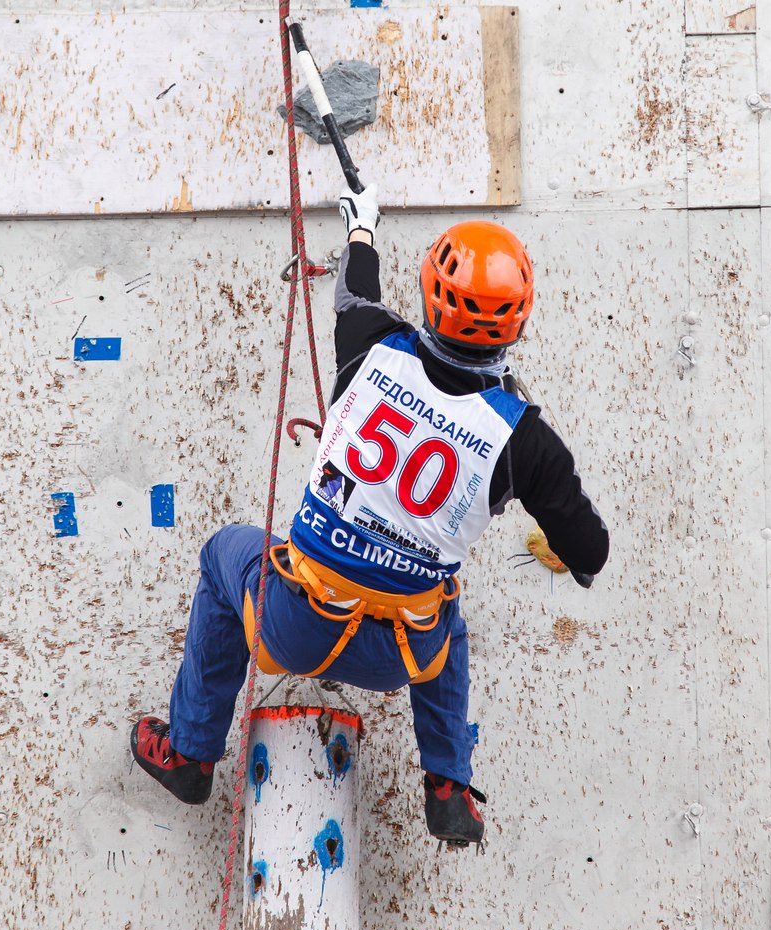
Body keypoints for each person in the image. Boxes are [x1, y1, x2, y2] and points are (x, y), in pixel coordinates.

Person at [132, 187, 609, 846]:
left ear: (431, 297)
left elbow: (357, 290)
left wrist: (363, 224)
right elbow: (590, 551)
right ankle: (447, 781)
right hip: (399, 654)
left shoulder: (369, 345)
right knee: (445, 610)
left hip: (293, 624)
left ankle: (188, 753)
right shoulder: (526, 442)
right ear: (518, 321)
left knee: (224, 554)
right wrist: (537, 478)